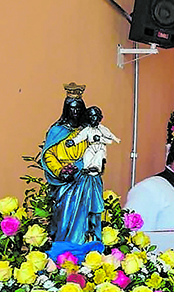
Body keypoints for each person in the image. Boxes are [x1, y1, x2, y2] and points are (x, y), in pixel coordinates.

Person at [41, 82, 104, 245]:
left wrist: (89, 165)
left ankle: (87, 245)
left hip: (86, 178)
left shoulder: (88, 130)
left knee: (89, 214)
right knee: (64, 214)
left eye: (78, 108)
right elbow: (49, 154)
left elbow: (97, 150)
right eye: (72, 108)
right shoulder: (57, 130)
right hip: (65, 182)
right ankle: (64, 247)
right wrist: (61, 170)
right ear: (66, 109)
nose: (75, 112)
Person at [67, 106, 120, 176]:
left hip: (100, 147)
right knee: (88, 154)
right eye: (90, 116)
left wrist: (100, 139)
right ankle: (86, 168)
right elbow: (80, 137)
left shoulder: (102, 129)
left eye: (94, 116)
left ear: (98, 117)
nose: (92, 118)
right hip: (92, 146)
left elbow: (110, 140)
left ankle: (95, 168)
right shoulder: (87, 130)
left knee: (99, 155)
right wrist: (73, 142)